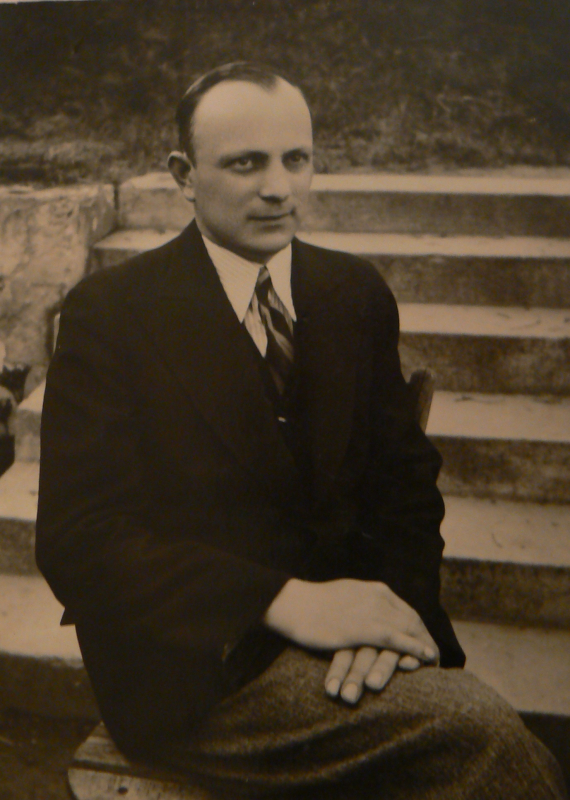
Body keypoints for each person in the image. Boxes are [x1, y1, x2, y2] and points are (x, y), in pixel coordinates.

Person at [36, 62, 566, 799]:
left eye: (297, 159)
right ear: (184, 175)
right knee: (485, 742)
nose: (279, 188)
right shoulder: (112, 313)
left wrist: (396, 621)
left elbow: (405, 488)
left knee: (478, 741)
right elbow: (79, 540)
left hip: (347, 643)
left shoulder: (352, 292)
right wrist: (286, 600)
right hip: (201, 668)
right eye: (246, 163)